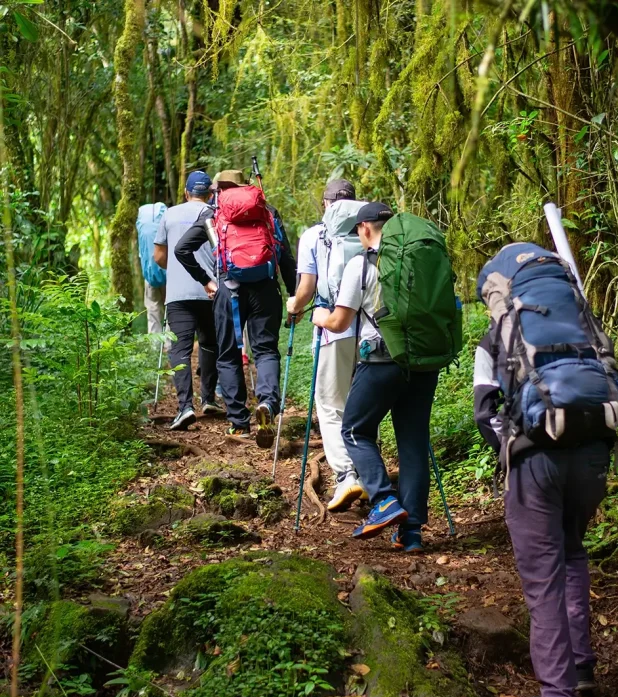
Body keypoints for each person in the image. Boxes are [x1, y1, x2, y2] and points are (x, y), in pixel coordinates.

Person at [474, 243, 618, 697]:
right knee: (572, 552)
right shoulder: (584, 326)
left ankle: (558, 692)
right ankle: (581, 667)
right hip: (593, 451)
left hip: (535, 459)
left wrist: (512, 449)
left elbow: (485, 412)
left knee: (542, 582)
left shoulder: (498, 334)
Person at [312, 202, 439, 553]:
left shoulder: (362, 264)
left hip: (383, 359)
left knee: (354, 428)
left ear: (365, 229)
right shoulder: (421, 259)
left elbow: (339, 321)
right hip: (426, 360)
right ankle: (411, 533)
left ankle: (383, 499)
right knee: (413, 442)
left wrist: (319, 316)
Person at [175, 169, 297, 447]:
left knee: (228, 355)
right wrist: (294, 295)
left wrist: (206, 280)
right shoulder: (267, 210)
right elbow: (285, 257)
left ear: (219, 188)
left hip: (228, 291)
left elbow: (182, 249)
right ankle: (267, 401)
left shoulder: (213, 213)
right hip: (265, 289)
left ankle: (239, 423)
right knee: (265, 350)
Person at [286, 179, 368, 511]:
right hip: (374, 331)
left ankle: (347, 477)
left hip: (335, 328)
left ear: (325, 204)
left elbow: (307, 288)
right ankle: (368, 473)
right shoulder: (370, 229)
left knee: (330, 404)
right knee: (363, 403)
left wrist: (294, 305)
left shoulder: (313, 236)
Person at [154, 171, 220, 431]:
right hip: (211, 289)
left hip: (178, 294)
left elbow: (159, 255)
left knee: (179, 348)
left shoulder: (169, 214)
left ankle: (185, 407)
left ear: (186, 192)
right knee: (210, 344)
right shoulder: (216, 212)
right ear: (209, 194)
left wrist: (177, 269)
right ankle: (209, 399)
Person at [136, 202, 168, 336]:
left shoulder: (142, 226)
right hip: (168, 271)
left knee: (153, 308)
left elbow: (141, 253)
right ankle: (169, 344)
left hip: (149, 273)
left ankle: (155, 347)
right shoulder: (166, 220)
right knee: (170, 308)